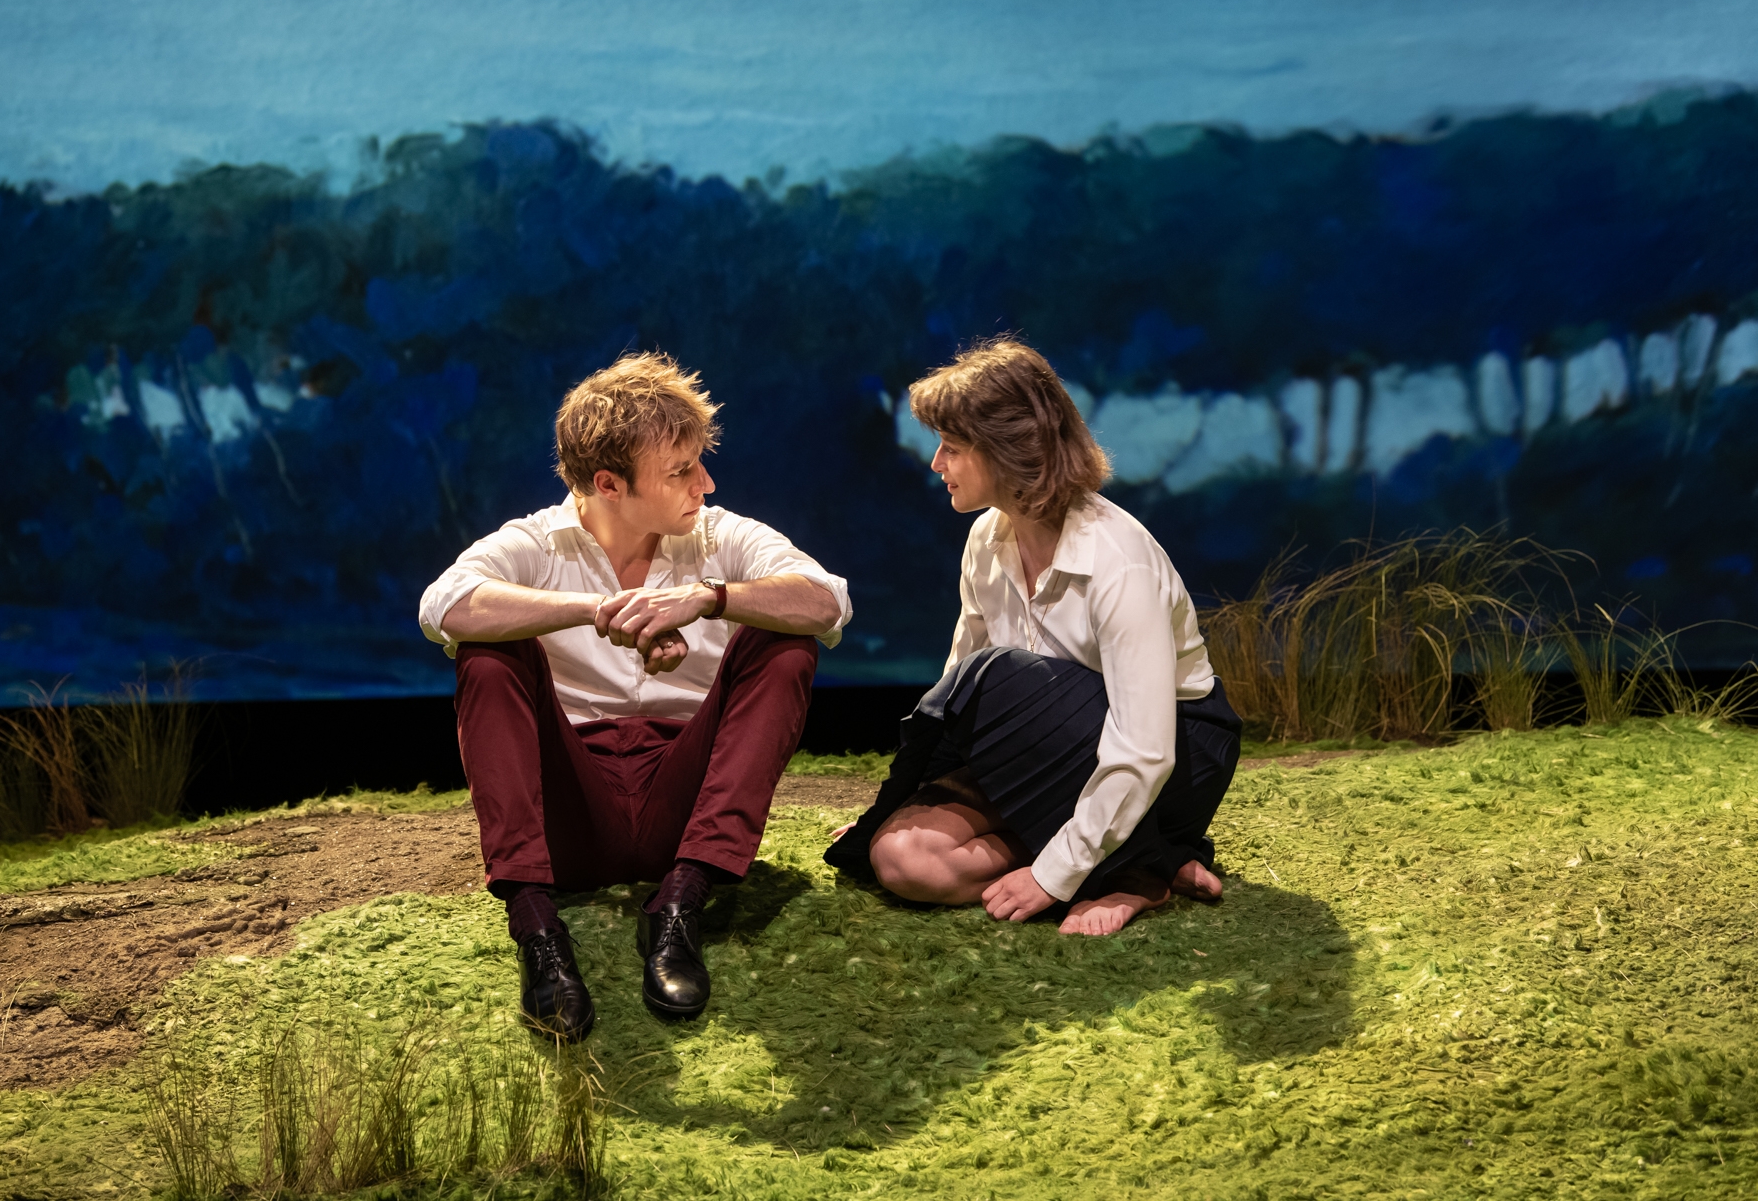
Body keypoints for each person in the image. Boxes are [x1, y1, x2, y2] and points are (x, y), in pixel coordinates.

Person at [420, 353, 849, 1041]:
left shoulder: (720, 535)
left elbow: (827, 601)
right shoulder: (536, 542)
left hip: (685, 810)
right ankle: (537, 928)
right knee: (489, 653)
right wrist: (599, 610)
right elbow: (444, 605)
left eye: (699, 464)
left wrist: (707, 598)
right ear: (609, 484)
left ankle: (680, 904)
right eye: (681, 472)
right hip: (572, 816)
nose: (704, 484)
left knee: (787, 642)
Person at [825, 339, 1240, 936]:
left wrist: (1054, 874)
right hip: (1048, 752)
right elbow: (960, 696)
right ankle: (1156, 856)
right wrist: (894, 812)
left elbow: (1145, 748)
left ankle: (1135, 872)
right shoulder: (987, 539)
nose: (936, 464)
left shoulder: (1117, 560)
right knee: (903, 858)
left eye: (952, 448)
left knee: (998, 675)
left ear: (1007, 450)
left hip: (1172, 759)